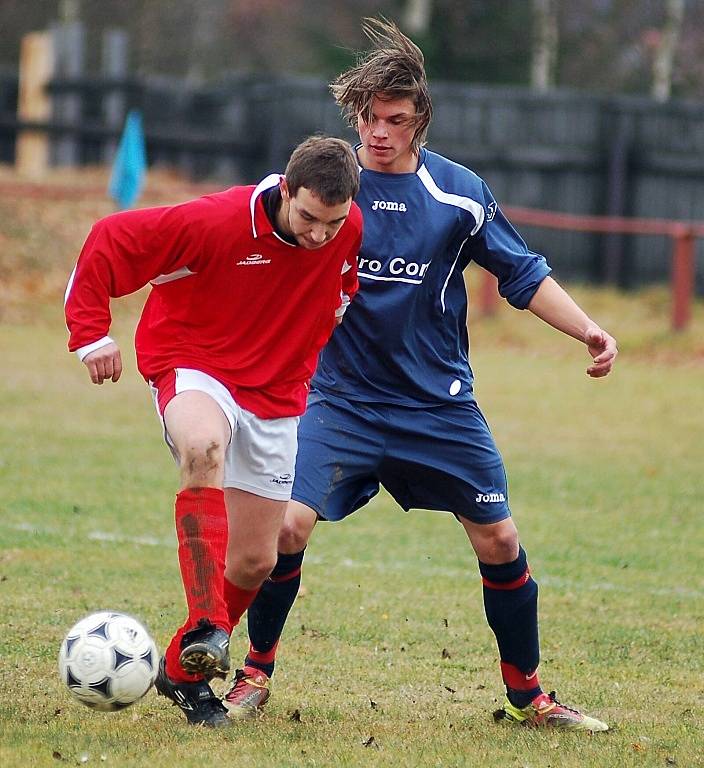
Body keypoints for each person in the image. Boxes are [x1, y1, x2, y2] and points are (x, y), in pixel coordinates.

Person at [225, 19, 618, 732]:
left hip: (437, 405)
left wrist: (588, 327)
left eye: (395, 120)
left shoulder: (458, 195)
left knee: (499, 541)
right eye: (368, 118)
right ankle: (254, 672)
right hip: (338, 398)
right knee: (286, 526)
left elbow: (523, 273)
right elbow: (257, 239)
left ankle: (531, 696)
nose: (378, 132)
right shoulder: (330, 183)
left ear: (420, 121)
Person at [64, 135, 363, 727]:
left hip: (277, 394)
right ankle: (208, 625)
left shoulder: (346, 227)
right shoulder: (216, 221)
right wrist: (91, 333)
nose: (319, 234)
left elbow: (340, 288)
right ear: (284, 189)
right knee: (202, 447)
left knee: (257, 560)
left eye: (332, 222)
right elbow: (109, 239)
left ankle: (180, 668)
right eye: (307, 217)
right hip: (194, 364)